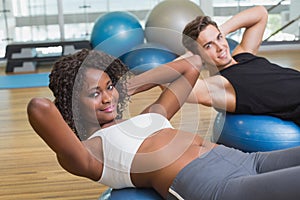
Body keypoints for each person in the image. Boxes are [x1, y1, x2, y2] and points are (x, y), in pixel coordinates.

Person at [27, 48, 300, 200]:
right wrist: (72, 100)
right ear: (73, 102)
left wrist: (125, 86)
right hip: (217, 187)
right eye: (94, 93)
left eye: (108, 87)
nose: (107, 97)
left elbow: (191, 64)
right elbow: (39, 108)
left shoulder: (151, 115)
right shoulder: (88, 153)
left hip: (246, 159)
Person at [128, 5, 300, 126]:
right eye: (208, 46)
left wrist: (217, 31)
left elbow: (260, 13)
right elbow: (166, 82)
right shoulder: (219, 86)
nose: (220, 48)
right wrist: (192, 54)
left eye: (219, 38)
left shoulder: (243, 54)